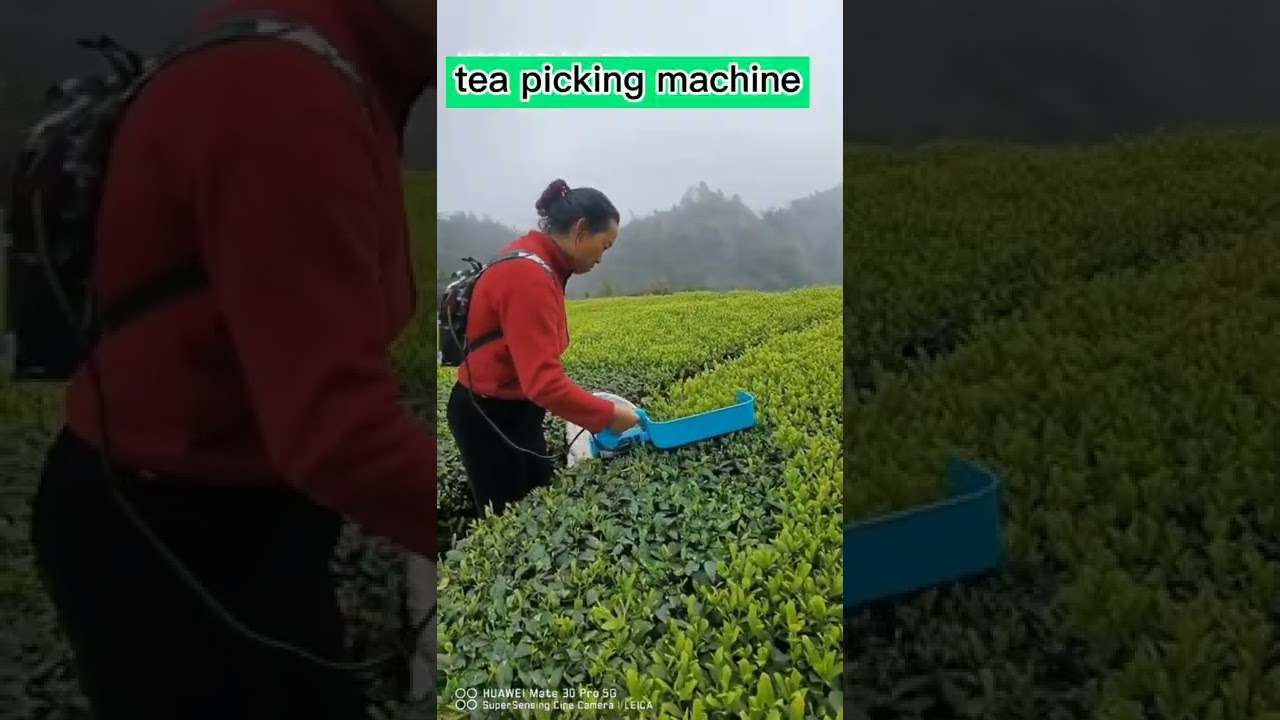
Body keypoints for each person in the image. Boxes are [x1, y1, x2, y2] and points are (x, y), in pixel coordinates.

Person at [26, 0, 436, 719]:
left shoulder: (346, 58)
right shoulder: (286, 95)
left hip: (249, 512)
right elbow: (338, 433)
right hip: (168, 537)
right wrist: (529, 525)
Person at [447, 179, 643, 517]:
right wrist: (609, 417)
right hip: (489, 418)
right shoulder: (529, 275)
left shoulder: (538, 260)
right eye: (604, 245)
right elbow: (544, 383)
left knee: (538, 508)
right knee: (509, 527)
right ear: (581, 230)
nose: (602, 256)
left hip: (516, 411)